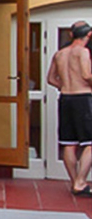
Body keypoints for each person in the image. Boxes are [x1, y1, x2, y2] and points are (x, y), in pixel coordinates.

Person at [46, 22, 92, 195]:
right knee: (90, 142)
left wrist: (65, 85)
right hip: (82, 98)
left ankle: (75, 182)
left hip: (65, 98)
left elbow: (51, 79)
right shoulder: (83, 52)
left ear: (72, 35)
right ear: (88, 35)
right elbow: (86, 75)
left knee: (69, 143)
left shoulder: (60, 54)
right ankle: (80, 181)